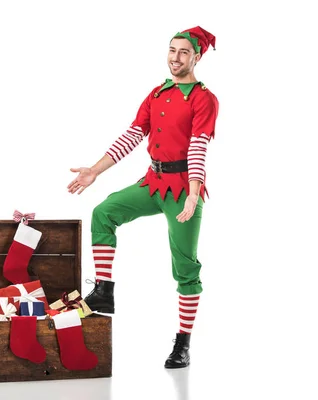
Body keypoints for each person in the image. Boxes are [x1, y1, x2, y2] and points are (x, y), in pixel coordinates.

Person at [67, 26, 219, 369]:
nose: (175, 58)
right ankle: (105, 290)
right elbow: (134, 134)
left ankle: (183, 343)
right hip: (154, 182)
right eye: (171, 50)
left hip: (183, 189)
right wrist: (94, 170)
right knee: (104, 211)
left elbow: (198, 147)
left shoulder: (203, 98)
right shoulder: (157, 94)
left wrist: (194, 195)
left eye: (183, 52)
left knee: (185, 266)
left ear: (196, 57)